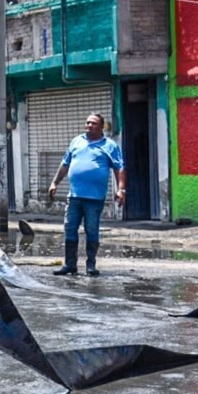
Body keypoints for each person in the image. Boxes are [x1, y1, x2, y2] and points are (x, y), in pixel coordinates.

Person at [48, 113, 127, 277]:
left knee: (92, 230)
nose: (89, 125)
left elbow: (119, 168)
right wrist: (55, 182)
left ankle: (91, 265)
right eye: (88, 123)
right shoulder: (76, 141)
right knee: (69, 228)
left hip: (94, 198)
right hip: (75, 196)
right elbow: (65, 164)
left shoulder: (109, 145)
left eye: (94, 123)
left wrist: (121, 189)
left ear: (101, 127)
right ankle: (70, 265)